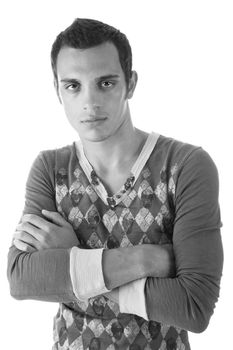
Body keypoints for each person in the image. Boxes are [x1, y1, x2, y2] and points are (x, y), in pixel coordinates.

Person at [7, 18, 223, 350]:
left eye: (105, 83)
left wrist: (73, 260)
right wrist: (145, 261)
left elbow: (194, 307)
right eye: (73, 85)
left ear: (130, 83)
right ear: (57, 90)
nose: (89, 102)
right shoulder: (51, 169)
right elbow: (23, 280)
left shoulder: (185, 166)